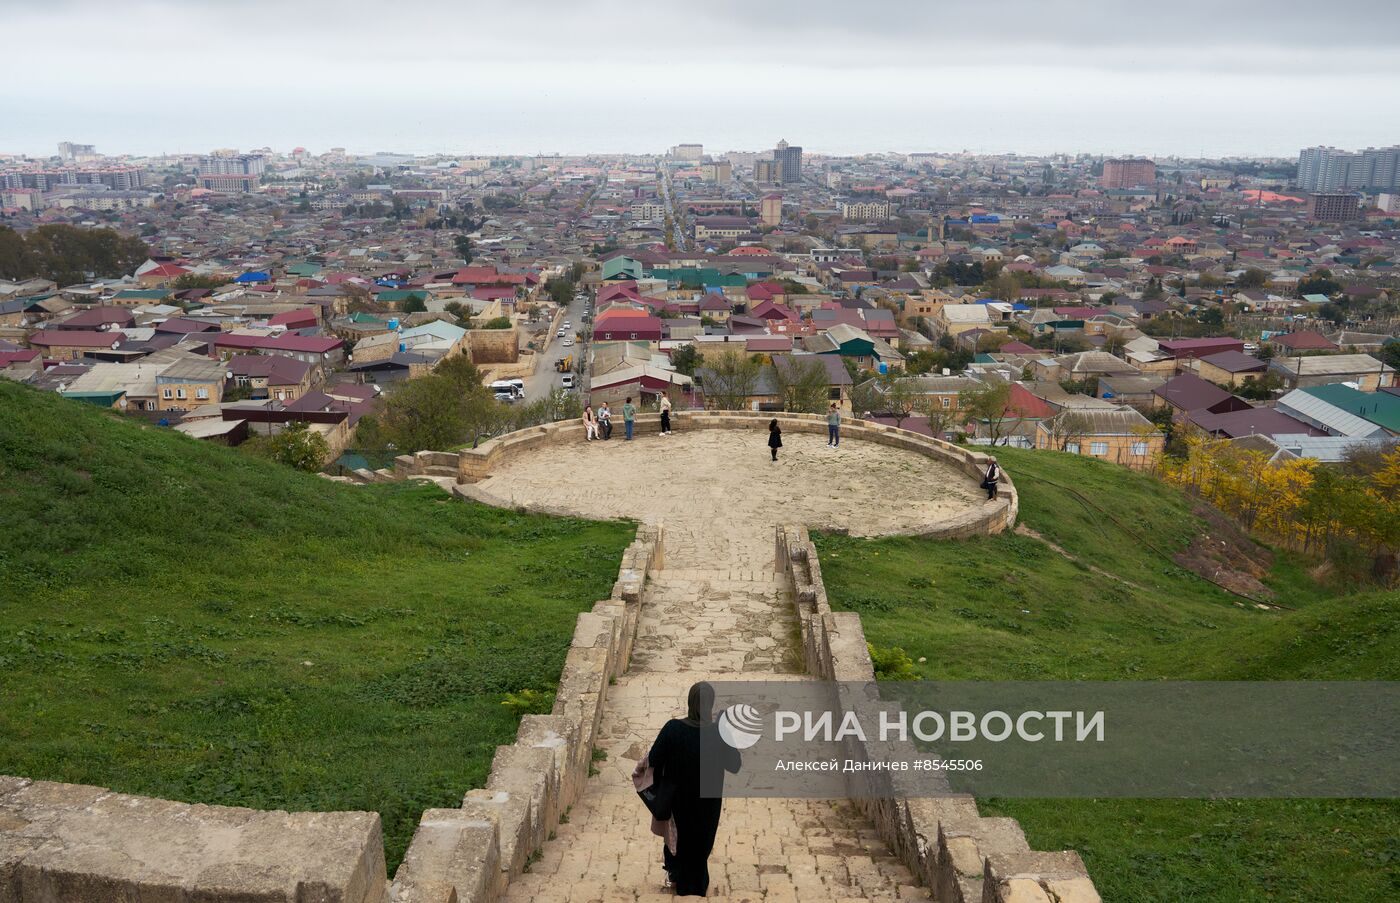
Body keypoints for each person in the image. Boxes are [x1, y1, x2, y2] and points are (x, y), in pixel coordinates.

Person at [637, 682, 741, 897]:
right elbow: (734, 765)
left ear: (689, 701)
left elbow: (655, 758)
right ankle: (697, 884)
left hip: (678, 798)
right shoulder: (719, 732)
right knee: (702, 839)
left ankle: (677, 876)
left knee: (679, 837)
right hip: (709, 798)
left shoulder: (673, 729)